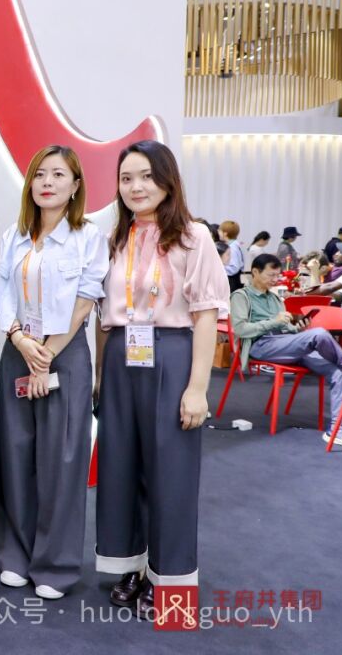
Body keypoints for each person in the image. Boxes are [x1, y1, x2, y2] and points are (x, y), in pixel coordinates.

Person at [94, 140, 229, 622]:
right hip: (120, 358)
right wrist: (99, 375)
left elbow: (206, 316)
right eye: (126, 178)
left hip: (171, 355)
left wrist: (197, 388)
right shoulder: (117, 237)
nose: (136, 186)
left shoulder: (193, 236)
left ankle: (169, 580)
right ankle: (131, 566)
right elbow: (104, 317)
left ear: (168, 180)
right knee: (121, 467)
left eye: (147, 176)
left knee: (171, 473)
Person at [0, 145, 108, 600]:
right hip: (18, 352)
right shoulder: (15, 236)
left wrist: (46, 353)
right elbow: (3, 292)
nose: (47, 182)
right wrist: (20, 340)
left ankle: (55, 566)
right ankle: (15, 556)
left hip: (65, 355)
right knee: (15, 455)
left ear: (75, 185)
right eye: (40, 174)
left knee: (62, 462)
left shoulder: (88, 237)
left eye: (58, 175)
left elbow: (85, 300)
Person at [236, 255, 342, 449]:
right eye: (271, 275)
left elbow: (286, 328)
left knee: (340, 372)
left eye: (277, 276)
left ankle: (338, 430)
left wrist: (298, 328)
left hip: (285, 343)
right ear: (255, 272)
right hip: (261, 345)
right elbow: (241, 330)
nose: (275, 280)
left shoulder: (274, 298)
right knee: (319, 334)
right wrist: (274, 323)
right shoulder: (241, 296)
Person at [219, 220, 245, 292]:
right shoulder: (235, 245)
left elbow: (234, 268)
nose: (218, 232)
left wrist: (219, 268)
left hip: (232, 282)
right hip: (234, 280)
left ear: (225, 233)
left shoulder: (232, 247)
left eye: (220, 231)